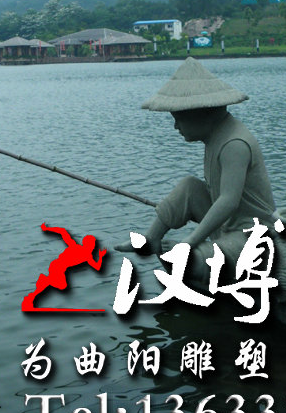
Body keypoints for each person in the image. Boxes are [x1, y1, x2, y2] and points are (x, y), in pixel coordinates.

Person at [117, 57, 276, 283]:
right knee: (189, 187)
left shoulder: (234, 144)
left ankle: (201, 263)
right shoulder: (214, 137)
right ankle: (152, 238)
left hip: (252, 235)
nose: (176, 126)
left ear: (201, 114)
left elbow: (228, 201)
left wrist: (190, 241)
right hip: (227, 226)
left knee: (194, 260)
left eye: (179, 119)